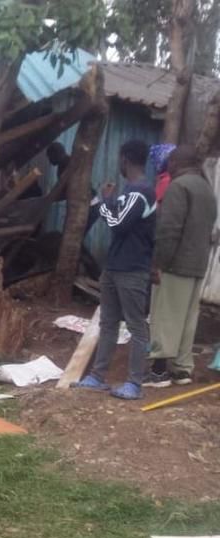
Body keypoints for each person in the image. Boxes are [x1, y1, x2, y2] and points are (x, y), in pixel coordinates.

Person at [76, 140, 156, 400]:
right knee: (108, 322)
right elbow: (112, 216)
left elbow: (118, 225)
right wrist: (106, 202)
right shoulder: (129, 193)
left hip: (132, 269)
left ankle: (134, 383)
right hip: (114, 267)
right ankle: (97, 377)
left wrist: (104, 203)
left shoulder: (141, 193)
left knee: (136, 325)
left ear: (125, 159)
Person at [146, 145, 218, 387]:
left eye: (171, 163)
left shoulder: (179, 186)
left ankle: (158, 372)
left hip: (176, 263)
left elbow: (169, 230)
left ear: (177, 163)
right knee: (187, 320)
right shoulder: (206, 188)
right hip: (198, 264)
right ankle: (182, 370)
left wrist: (158, 263)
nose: (169, 167)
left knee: (165, 316)